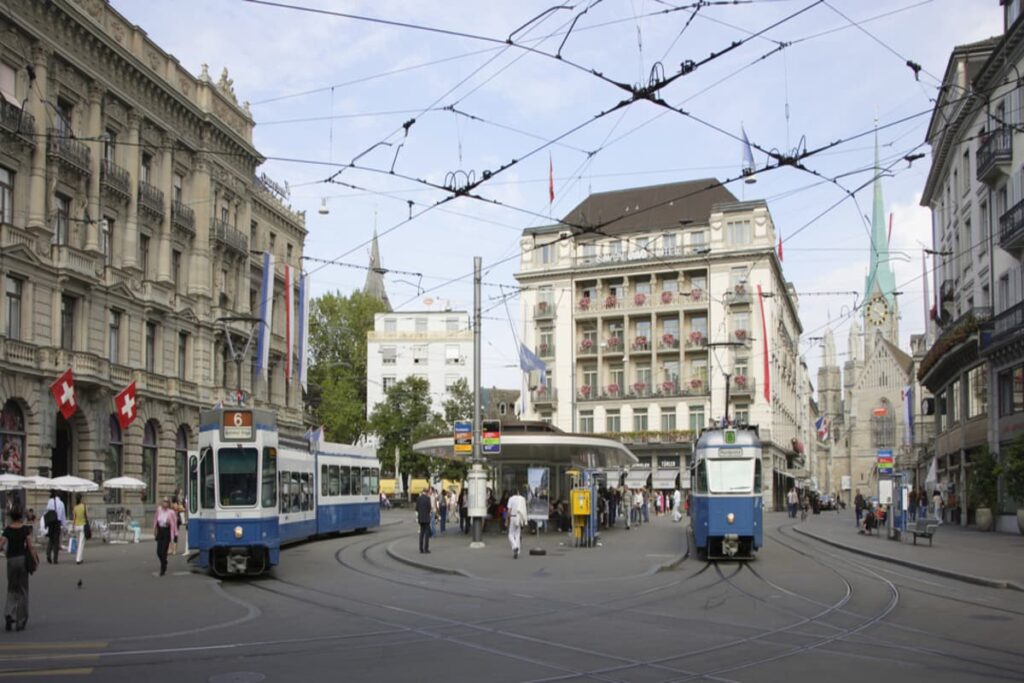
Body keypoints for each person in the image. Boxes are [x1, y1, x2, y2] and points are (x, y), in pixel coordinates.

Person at [0, 508, 39, 632]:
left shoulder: (8, 529)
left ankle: (9, 614)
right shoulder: (24, 529)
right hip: (22, 560)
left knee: (12, 588)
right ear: (21, 516)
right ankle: (20, 621)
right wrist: (35, 560)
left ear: (11, 517)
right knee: (22, 590)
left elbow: (1, 543)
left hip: (11, 560)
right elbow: (30, 546)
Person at [153, 496, 178, 576]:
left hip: (167, 531)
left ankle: (162, 569)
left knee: (164, 551)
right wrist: (155, 529)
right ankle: (164, 561)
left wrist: (175, 533)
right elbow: (155, 519)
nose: (165, 503)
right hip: (160, 531)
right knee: (158, 552)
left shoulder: (171, 512)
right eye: (164, 501)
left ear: (169, 503)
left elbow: (174, 523)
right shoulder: (159, 510)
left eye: (167, 501)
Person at [43, 490, 66, 565]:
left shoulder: (50, 501)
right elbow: (63, 516)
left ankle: (48, 554)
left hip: (50, 523)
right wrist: (65, 527)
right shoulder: (61, 503)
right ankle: (55, 559)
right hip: (57, 523)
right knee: (56, 541)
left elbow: (46, 512)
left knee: (51, 539)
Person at [506, 488, 527, 559]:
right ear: (517, 492)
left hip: (513, 517)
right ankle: (517, 551)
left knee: (510, 534)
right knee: (517, 534)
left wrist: (507, 519)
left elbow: (509, 510)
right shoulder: (522, 499)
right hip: (519, 518)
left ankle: (514, 547)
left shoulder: (511, 499)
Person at [71, 493, 87, 565]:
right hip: (82, 525)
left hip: (76, 526)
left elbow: (74, 518)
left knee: (78, 543)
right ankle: (78, 559)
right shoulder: (83, 506)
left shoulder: (75, 507)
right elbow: (86, 516)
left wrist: (73, 527)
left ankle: (80, 557)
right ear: (81, 498)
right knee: (81, 543)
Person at [415, 489, 431, 553]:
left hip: (421, 518)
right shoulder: (427, 498)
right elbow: (429, 508)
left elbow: (416, 508)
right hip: (426, 518)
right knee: (426, 534)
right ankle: (426, 548)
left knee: (421, 533)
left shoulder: (419, 498)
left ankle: (421, 549)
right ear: (426, 492)